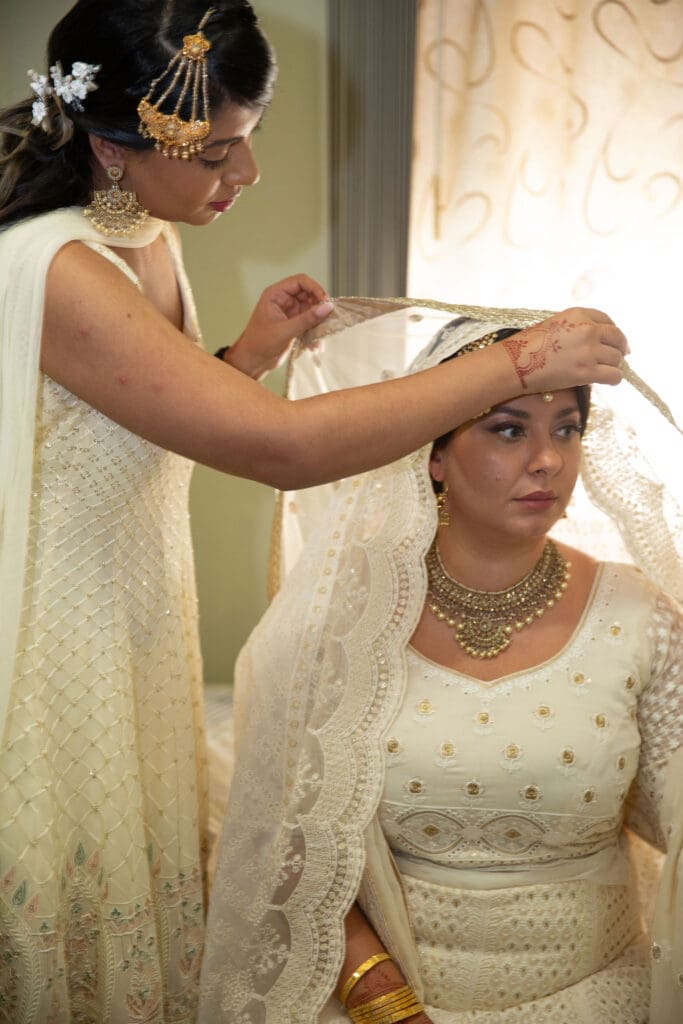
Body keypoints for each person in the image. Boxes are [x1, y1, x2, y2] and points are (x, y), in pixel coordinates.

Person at [0, 0, 628, 1019]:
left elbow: (115, 420)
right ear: (115, 148)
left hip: (128, 629)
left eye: (247, 146)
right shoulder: (61, 263)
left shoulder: (138, 230)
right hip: (48, 648)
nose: (240, 179)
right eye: (216, 155)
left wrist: (243, 360)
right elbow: (279, 451)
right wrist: (511, 362)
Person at [199, 300, 683, 1024]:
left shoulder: (638, 617)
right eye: (507, 430)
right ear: (432, 454)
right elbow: (286, 851)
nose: (547, 460)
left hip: (598, 999)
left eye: (567, 430)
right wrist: (386, 1003)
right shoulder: (342, 624)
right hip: (382, 1005)